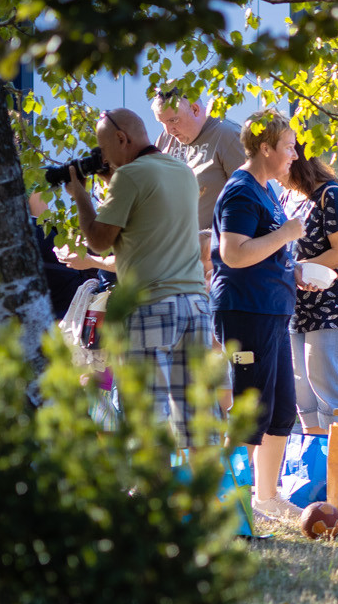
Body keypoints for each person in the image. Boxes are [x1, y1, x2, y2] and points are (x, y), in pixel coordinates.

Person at [63, 107, 208, 440]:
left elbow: (99, 242)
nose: (104, 158)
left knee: (147, 422)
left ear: (121, 138)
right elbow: (146, 217)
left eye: (104, 149)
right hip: (194, 306)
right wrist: (110, 179)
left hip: (151, 306)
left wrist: (80, 194)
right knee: (195, 422)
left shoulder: (130, 176)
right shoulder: (182, 170)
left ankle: (152, 477)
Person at [211, 112, 306, 522]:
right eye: (288, 147)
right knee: (251, 412)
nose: (295, 155)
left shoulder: (266, 190)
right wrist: (286, 234)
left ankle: (266, 497)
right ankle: (228, 504)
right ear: (265, 148)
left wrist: (293, 271)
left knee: (281, 409)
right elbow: (233, 253)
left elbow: (262, 251)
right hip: (246, 312)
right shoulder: (241, 190)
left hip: (271, 311)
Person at [281, 151, 338, 435]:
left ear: (295, 159)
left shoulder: (332, 195)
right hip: (297, 302)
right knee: (301, 389)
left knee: (325, 383)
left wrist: (298, 268)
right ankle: (316, 456)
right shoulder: (286, 197)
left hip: (334, 304)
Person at [152, 89, 245, 275]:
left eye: (173, 120)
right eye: (162, 123)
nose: (168, 130)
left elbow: (248, 202)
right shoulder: (166, 139)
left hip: (211, 264)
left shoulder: (228, 135)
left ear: (195, 109)